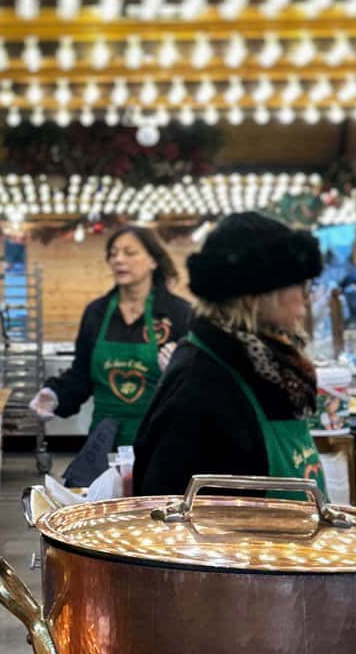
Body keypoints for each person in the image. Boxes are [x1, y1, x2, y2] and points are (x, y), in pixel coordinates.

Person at [133, 212, 325, 498]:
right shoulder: (200, 380)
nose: (307, 297)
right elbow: (168, 504)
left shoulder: (272, 365)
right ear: (256, 295)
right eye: (299, 284)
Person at [29, 224, 191, 487]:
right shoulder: (97, 312)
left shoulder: (178, 314)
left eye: (129, 252)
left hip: (160, 441)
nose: (119, 260)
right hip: (105, 444)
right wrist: (55, 394)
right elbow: (81, 375)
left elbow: (198, 386)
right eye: (113, 254)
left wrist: (177, 371)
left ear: (153, 260)